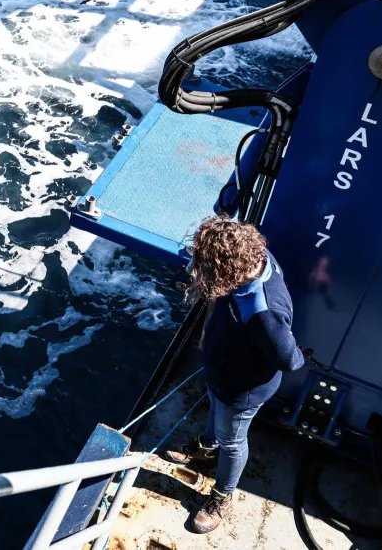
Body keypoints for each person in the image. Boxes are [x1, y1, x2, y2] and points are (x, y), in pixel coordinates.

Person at [165, 215, 305, 533]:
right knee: (216, 411)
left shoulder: (262, 312)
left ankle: (222, 496)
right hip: (221, 372)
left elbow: (290, 359)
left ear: (229, 270)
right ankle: (204, 447)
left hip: (242, 390)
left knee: (232, 439)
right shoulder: (256, 257)